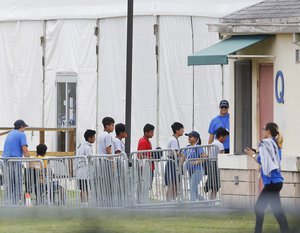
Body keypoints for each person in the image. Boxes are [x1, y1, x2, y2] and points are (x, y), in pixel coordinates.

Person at [245, 122, 289, 233]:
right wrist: (256, 154)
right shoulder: (275, 145)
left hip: (272, 183)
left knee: (258, 207)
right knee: (276, 210)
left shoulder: (266, 144)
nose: (263, 131)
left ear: (268, 131)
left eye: (264, 129)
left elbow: (262, 161)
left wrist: (253, 155)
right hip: (276, 182)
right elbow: (268, 160)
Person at [3, 119, 30, 204]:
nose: (25, 129)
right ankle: (16, 203)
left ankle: (8, 202)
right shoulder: (22, 134)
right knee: (17, 183)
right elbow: (24, 149)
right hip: (14, 161)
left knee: (9, 183)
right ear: (21, 127)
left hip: (4, 161)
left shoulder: (10, 133)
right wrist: (30, 159)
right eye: (24, 127)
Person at [204, 127, 229, 200]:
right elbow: (221, 156)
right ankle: (212, 200)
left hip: (211, 163)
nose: (225, 139)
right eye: (225, 137)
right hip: (216, 164)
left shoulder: (213, 143)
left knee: (213, 183)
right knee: (216, 185)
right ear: (221, 136)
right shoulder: (220, 145)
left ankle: (210, 198)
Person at [182, 131, 206, 202]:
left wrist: (196, 162)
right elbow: (183, 157)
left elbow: (204, 157)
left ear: (196, 138)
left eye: (190, 136)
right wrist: (179, 166)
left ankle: (193, 205)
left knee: (192, 189)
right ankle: (205, 202)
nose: (188, 138)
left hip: (198, 171)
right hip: (191, 172)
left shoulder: (198, 147)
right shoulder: (187, 147)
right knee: (194, 190)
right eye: (188, 136)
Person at [164, 122, 184, 201]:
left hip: (172, 162)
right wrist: (181, 155)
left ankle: (171, 200)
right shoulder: (174, 140)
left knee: (174, 184)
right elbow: (175, 153)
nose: (183, 131)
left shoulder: (173, 139)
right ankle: (169, 201)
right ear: (177, 130)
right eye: (182, 129)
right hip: (172, 163)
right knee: (172, 184)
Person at [76, 129, 96, 204]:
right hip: (84, 172)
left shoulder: (82, 146)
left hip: (80, 171)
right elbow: (91, 159)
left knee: (83, 189)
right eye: (93, 137)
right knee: (85, 189)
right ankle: (85, 204)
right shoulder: (87, 147)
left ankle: (83, 203)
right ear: (89, 138)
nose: (95, 138)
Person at [137, 124, 155, 189]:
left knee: (147, 187)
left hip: (148, 167)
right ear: (146, 132)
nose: (153, 134)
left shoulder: (146, 140)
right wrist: (150, 158)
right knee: (145, 187)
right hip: (145, 168)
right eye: (151, 132)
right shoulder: (143, 141)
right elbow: (139, 155)